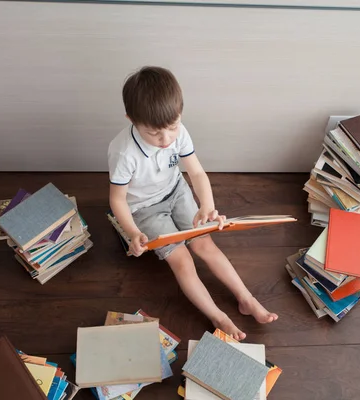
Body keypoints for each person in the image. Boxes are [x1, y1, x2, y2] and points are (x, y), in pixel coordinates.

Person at [108, 66, 277, 340]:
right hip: (145, 209)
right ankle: (218, 317)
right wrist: (133, 232)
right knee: (182, 261)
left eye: (172, 128)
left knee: (204, 244)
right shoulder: (123, 152)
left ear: (180, 114)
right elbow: (117, 199)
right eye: (154, 133)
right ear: (131, 120)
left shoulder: (179, 132)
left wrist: (206, 205)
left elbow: (196, 173)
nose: (165, 140)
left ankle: (246, 299)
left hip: (176, 191)